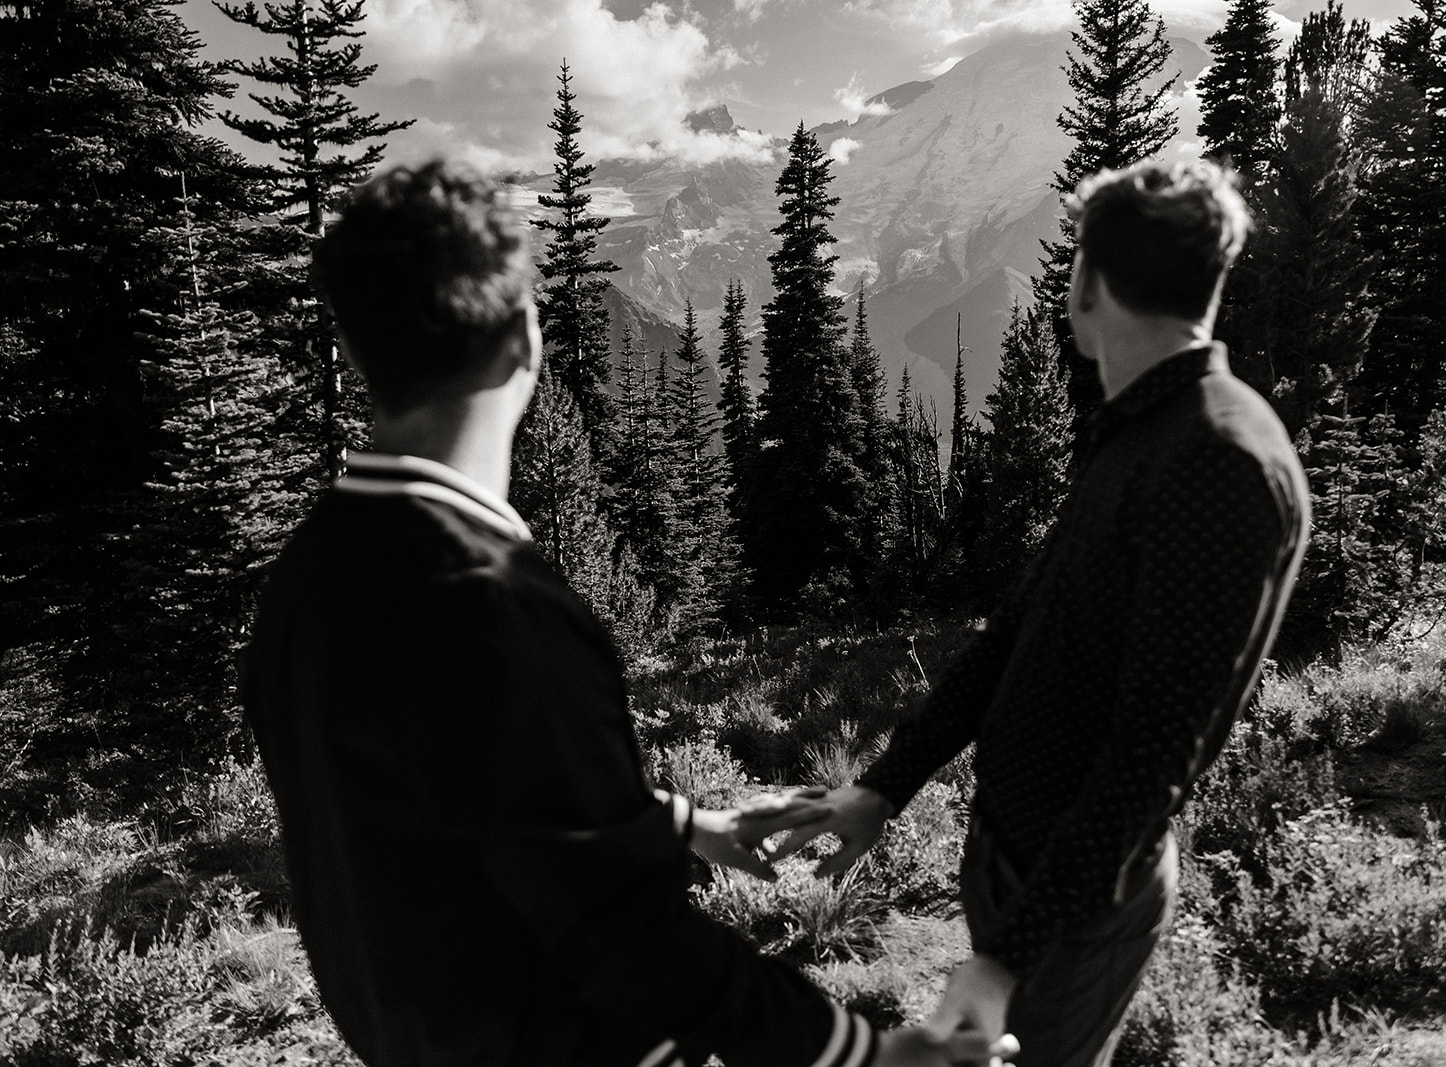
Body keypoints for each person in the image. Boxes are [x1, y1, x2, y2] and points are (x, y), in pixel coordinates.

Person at [241, 158, 1013, 1067]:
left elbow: (475, 801)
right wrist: (863, 1053)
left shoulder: (305, 576)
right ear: (522, 344)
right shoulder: (499, 604)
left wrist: (691, 826)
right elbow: (631, 936)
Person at [760, 159, 1311, 1066]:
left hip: (1076, 903)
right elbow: (1018, 632)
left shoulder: (1220, 457)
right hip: (1020, 864)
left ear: (1087, 285)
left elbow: (1154, 756)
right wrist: (886, 786)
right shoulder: (1145, 427)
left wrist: (1009, 955)